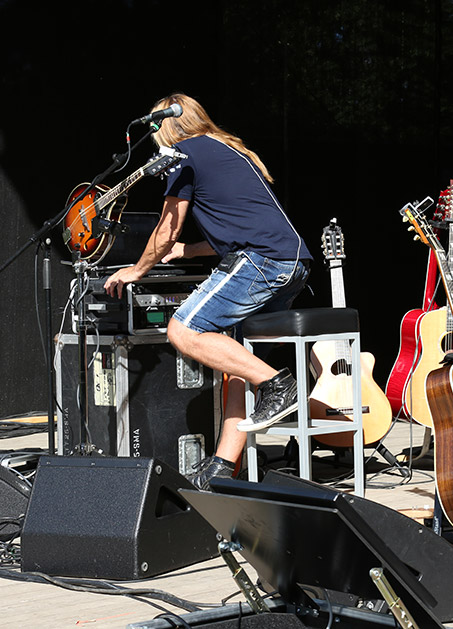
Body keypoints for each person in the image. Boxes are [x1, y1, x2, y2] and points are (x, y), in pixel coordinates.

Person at [104, 93, 312, 490]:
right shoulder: (230, 151)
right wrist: (191, 250)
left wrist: (137, 268)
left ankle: (280, 385)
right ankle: (220, 468)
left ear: (163, 126)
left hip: (263, 262)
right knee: (237, 365)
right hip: (293, 263)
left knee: (184, 330)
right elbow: (239, 228)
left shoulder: (184, 155)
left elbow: (167, 229)